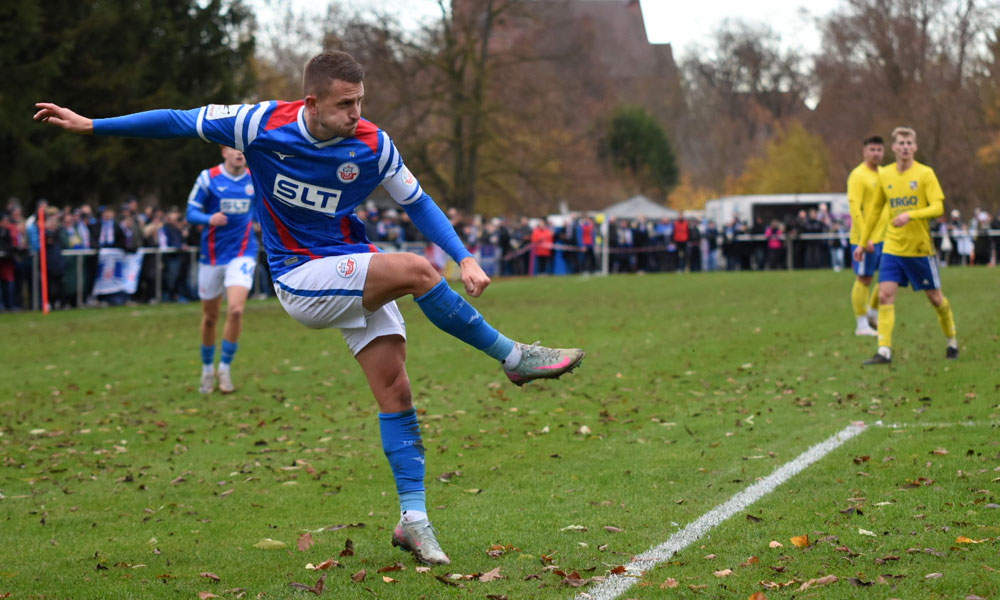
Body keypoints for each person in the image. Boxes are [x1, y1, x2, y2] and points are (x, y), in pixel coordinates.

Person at [35, 50, 584, 566]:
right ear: (312, 103)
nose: (357, 113)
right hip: (300, 279)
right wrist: (92, 125)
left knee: (396, 392)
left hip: (350, 267)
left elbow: (417, 201)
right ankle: (513, 356)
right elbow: (178, 120)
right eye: (346, 103)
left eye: (361, 100)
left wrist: (464, 254)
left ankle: (413, 520)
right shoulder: (257, 124)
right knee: (420, 270)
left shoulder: (372, 143)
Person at [854, 127, 958, 365]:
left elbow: (938, 207)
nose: (905, 147)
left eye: (909, 143)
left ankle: (951, 340)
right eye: (900, 143)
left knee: (935, 298)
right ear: (893, 147)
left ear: (915, 147)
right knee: (885, 295)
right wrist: (862, 242)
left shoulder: (925, 174)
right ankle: (884, 351)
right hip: (893, 247)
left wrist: (911, 215)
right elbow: (874, 211)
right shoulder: (886, 175)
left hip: (920, 249)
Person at [185, 146, 258, 394]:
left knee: (236, 310)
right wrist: (208, 219)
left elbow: (263, 208)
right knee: (210, 317)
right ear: (223, 151)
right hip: (212, 255)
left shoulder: (254, 178)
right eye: (234, 148)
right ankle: (207, 369)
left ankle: (225, 368)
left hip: (243, 252)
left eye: (243, 149)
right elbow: (191, 212)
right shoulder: (208, 178)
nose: (240, 153)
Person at [846, 135, 885, 336]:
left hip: (886, 235)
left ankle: (872, 310)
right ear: (865, 151)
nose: (876, 153)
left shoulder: (885, 174)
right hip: (865, 238)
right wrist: (864, 237)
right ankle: (861, 324)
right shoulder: (858, 176)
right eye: (872, 149)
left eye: (879, 149)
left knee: (889, 276)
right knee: (865, 278)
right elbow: (855, 208)